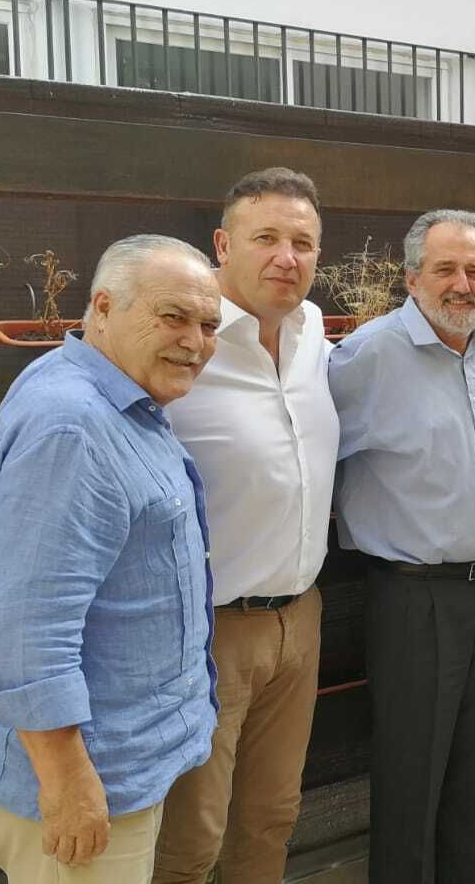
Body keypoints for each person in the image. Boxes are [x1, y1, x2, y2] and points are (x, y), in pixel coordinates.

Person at [0, 235, 221, 882]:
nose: (195, 340)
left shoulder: (114, 398)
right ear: (102, 307)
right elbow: (24, 630)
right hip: (88, 780)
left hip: (117, 768)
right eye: (174, 316)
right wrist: (68, 781)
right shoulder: (74, 426)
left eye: (209, 324)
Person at [330, 209, 475, 882]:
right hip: (413, 597)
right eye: (446, 268)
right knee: (411, 782)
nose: (462, 283)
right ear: (411, 276)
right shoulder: (368, 356)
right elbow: (302, 438)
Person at [152, 167, 336, 884]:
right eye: (266, 238)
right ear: (223, 244)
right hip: (207, 632)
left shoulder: (315, 329)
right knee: (191, 839)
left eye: (303, 242)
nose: (286, 258)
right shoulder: (176, 337)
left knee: (272, 817)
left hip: (301, 620)